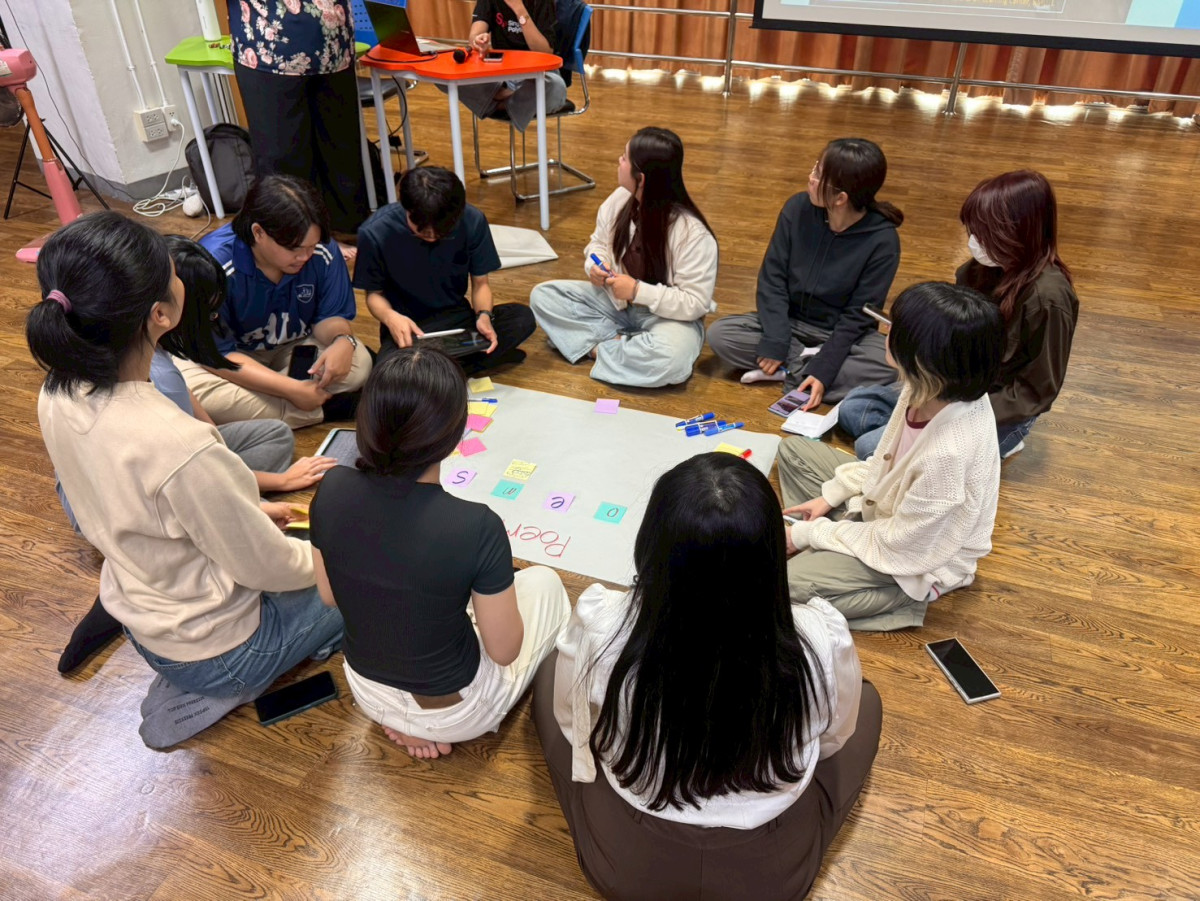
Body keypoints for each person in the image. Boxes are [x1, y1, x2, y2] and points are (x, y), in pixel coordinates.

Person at [27, 211, 343, 747]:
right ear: (160, 313)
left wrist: (245, 511)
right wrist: (328, 556)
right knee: (361, 572)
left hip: (144, 618)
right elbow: (264, 564)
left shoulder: (56, 391)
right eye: (172, 272)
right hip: (216, 650)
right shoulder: (177, 444)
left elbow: (151, 503)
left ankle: (206, 675)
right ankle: (236, 684)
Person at [531, 453, 879, 900]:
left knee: (552, 672)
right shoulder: (819, 638)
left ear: (651, 544)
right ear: (773, 554)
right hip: (768, 878)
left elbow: (571, 722)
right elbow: (833, 737)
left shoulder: (603, 625)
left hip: (628, 867)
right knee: (867, 702)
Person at [309, 347, 569, 759]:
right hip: (456, 712)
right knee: (545, 582)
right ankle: (422, 721)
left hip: (365, 690)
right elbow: (504, 651)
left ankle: (404, 720)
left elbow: (328, 595)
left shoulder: (330, 487)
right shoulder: (476, 525)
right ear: (454, 432)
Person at [778, 281, 1004, 631]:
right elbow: (886, 461)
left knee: (784, 585)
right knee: (793, 450)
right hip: (887, 513)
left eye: (896, 328)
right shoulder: (928, 385)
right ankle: (837, 541)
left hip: (915, 561)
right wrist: (831, 496)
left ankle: (905, 599)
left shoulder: (948, 454)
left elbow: (902, 545)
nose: (885, 331)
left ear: (924, 357)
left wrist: (808, 534)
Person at [838, 170, 1079, 460]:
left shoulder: (1048, 299)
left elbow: (1036, 392)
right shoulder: (978, 271)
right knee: (853, 408)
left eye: (984, 234)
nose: (973, 242)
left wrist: (953, 415)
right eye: (973, 231)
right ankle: (923, 443)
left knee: (870, 448)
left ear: (1017, 233)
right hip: (952, 387)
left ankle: (999, 443)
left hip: (991, 407)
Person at [706, 138, 902, 409]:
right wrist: (776, 338)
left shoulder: (883, 241)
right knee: (720, 335)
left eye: (818, 175)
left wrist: (825, 365)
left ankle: (790, 371)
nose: (810, 178)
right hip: (790, 323)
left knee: (894, 365)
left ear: (841, 199)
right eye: (815, 168)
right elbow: (772, 279)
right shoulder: (797, 208)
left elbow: (859, 315)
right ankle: (807, 372)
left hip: (840, 334)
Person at [176, 175, 373, 429]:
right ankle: (325, 408)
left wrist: (342, 341)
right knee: (196, 393)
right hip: (234, 359)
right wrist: (291, 389)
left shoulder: (322, 250)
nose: (305, 256)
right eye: (294, 248)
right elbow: (218, 355)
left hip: (296, 347)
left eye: (312, 246)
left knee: (359, 363)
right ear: (258, 232)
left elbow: (329, 318)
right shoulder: (213, 264)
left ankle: (281, 408)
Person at [530, 127, 719, 388]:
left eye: (624, 157)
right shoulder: (620, 199)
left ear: (641, 178)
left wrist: (637, 291)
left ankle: (594, 348)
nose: (618, 161)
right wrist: (595, 265)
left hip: (668, 318)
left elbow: (695, 303)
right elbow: (597, 243)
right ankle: (624, 348)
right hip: (615, 304)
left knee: (671, 361)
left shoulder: (692, 234)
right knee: (543, 296)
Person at [354, 166, 535, 374]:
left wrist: (484, 315)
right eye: (422, 231)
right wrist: (390, 317)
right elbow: (373, 295)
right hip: (408, 326)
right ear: (407, 209)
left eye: (442, 231)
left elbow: (481, 284)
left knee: (521, 318)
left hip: (458, 318)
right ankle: (460, 366)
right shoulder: (375, 232)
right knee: (387, 370)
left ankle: (436, 371)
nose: (432, 237)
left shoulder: (472, 220)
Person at [227, 0, 369, 236]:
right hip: (271, 50)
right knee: (284, 158)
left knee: (340, 150)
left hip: (333, 45)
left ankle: (340, 233)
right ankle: (296, 238)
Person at [455, 0, 567, 132]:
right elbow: (474, 36)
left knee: (556, 86)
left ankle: (500, 103)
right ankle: (512, 100)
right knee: (449, 79)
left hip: (538, 76)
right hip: (501, 77)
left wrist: (519, 8)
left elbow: (545, 52)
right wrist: (479, 42)